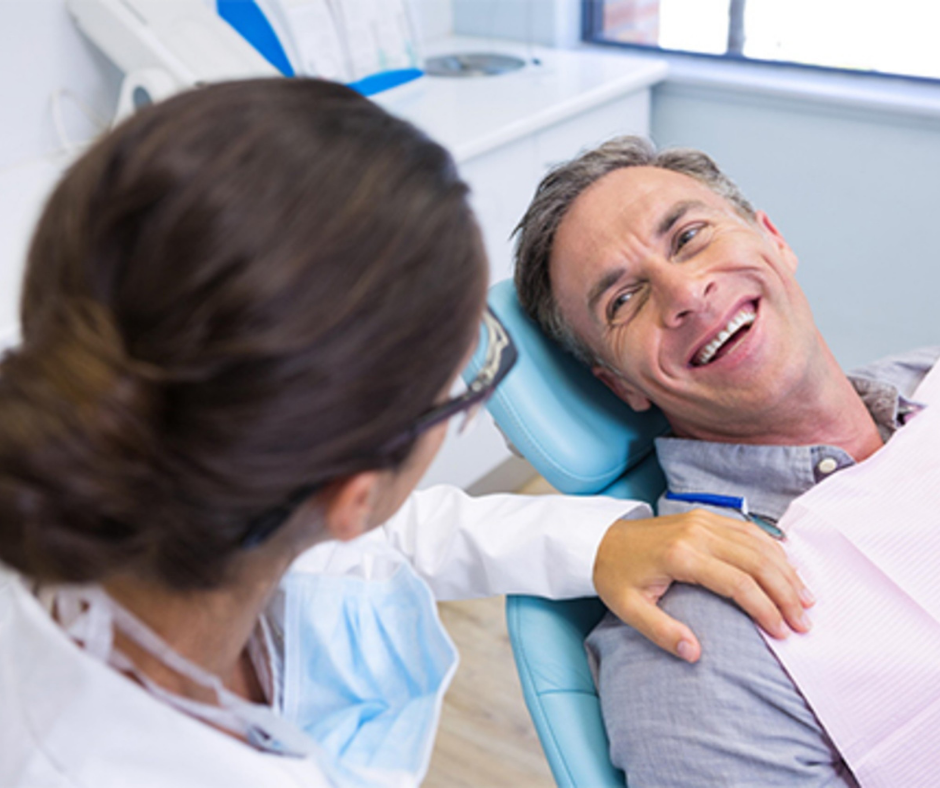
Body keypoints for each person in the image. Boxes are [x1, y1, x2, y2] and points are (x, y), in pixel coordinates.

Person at [0, 81, 807, 788]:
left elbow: (399, 538)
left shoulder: (197, 495)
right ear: (351, 494)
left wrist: (598, 540)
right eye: (473, 368)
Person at [513, 135, 939, 787]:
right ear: (620, 385)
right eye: (623, 300)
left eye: (688, 236)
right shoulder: (695, 652)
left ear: (774, 239)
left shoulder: (926, 377)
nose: (684, 292)